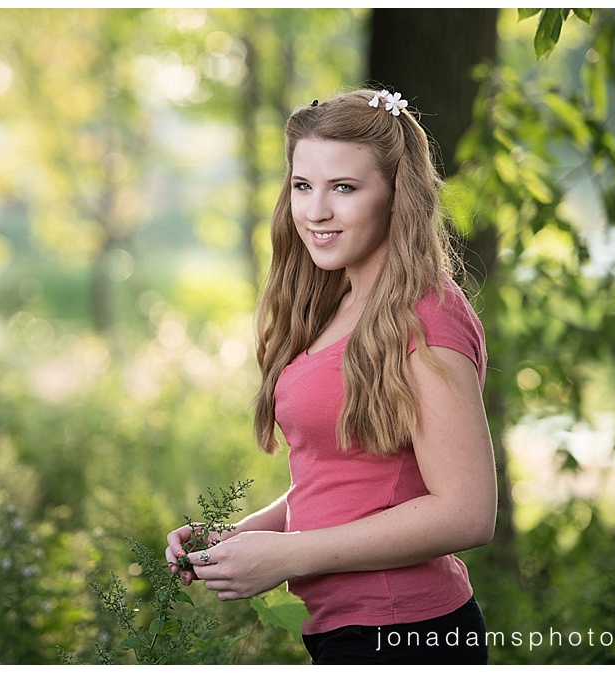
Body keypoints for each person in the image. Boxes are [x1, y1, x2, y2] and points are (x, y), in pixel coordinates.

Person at [165, 88, 497, 665]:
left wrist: (289, 555)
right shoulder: (341, 302)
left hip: (406, 631)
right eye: (302, 186)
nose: (315, 210)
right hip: (345, 631)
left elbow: (466, 510)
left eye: (343, 187)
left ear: (397, 195)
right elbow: (351, 477)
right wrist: (247, 536)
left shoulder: (426, 315)